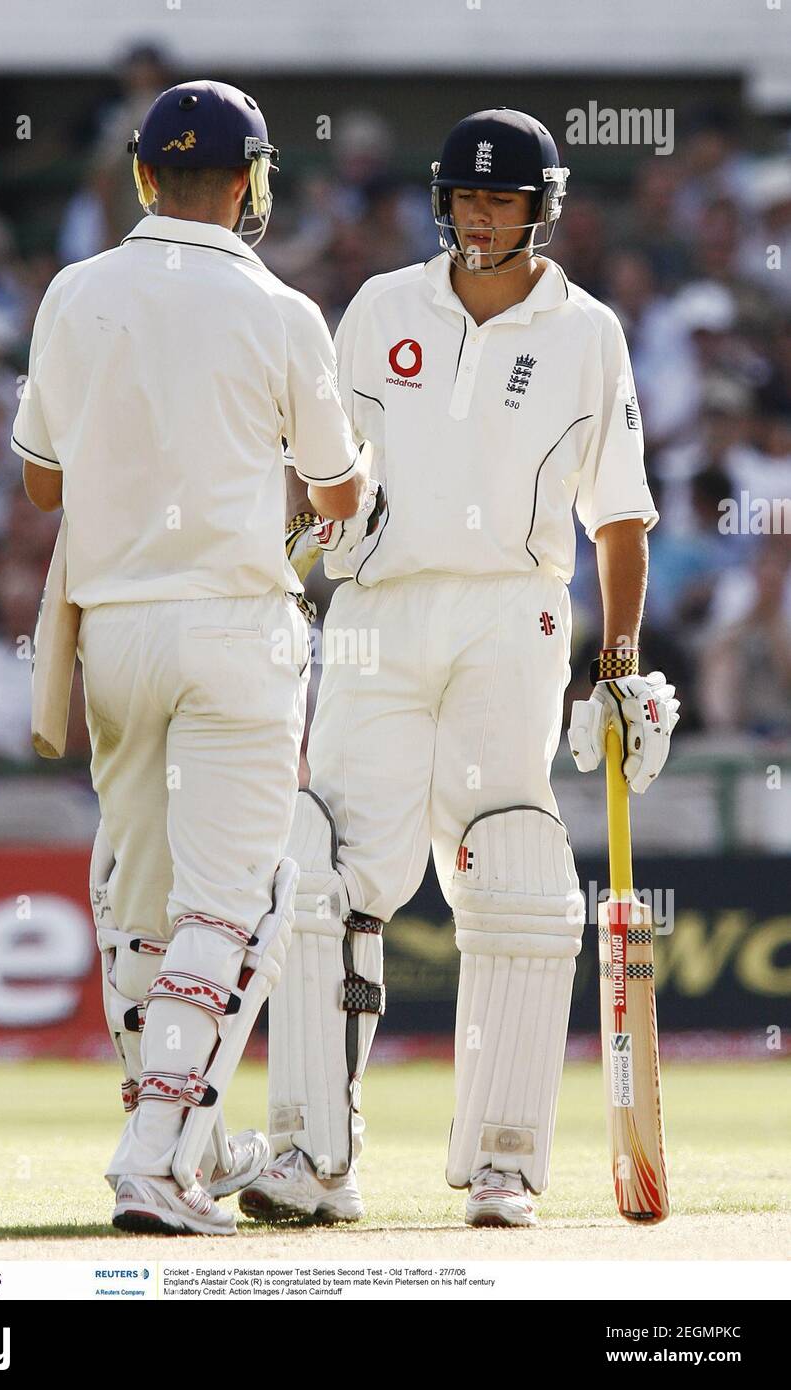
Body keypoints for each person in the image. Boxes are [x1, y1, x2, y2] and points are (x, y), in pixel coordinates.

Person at [241, 108, 680, 1229]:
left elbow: (618, 513)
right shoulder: (383, 305)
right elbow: (319, 465)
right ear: (443, 200)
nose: (482, 217)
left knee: (515, 875)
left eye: (504, 200)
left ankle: (502, 1161)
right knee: (329, 871)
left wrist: (616, 667)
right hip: (379, 613)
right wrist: (300, 559)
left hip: (511, 613)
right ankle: (312, 1156)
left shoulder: (587, 331)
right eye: (467, 197)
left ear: (543, 207)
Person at [12, 79, 365, 1235]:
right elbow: (339, 489)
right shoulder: (280, 308)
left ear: (141, 177)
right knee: (238, 901)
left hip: (113, 631)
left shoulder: (74, 290)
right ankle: (154, 1155)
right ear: (254, 182)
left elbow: (38, 478)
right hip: (233, 625)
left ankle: (190, 1147)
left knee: (143, 901)